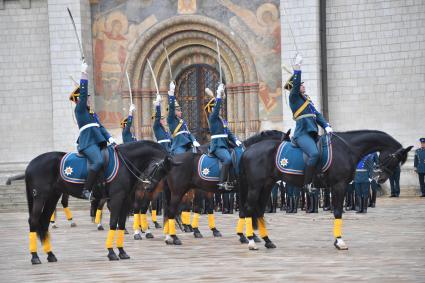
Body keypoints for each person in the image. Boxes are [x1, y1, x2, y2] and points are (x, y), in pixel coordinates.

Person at [70, 60, 116, 200]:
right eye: (86, 98)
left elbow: (100, 127)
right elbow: (83, 94)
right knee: (98, 162)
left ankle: (102, 187)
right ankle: (86, 190)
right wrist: (84, 73)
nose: (89, 99)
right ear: (79, 100)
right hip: (88, 142)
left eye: (89, 98)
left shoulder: (91, 113)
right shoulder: (79, 109)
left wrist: (110, 138)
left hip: (98, 141)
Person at [286, 54, 333, 190]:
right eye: (301, 84)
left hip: (312, 133)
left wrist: (326, 125)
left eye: (302, 84)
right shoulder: (294, 98)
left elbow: (316, 114)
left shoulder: (307, 100)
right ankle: (307, 183)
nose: (303, 85)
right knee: (314, 154)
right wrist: (297, 69)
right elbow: (295, 86)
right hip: (302, 134)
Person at [205, 84, 242, 190]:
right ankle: (221, 183)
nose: (218, 109)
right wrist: (218, 95)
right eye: (216, 107)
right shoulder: (212, 117)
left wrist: (236, 140)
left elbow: (228, 133)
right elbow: (216, 109)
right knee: (227, 159)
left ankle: (233, 179)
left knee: (237, 157)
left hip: (225, 145)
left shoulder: (222, 120)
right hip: (217, 146)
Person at [167, 81, 200, 155]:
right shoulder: (171, 120)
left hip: (188, 143)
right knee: (181, 159)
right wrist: (171, 94)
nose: (181, 112)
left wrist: (194, 140)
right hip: (179, 145)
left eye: (180, 110)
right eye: (178, 110)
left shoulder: (182, 121)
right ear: (174, 112)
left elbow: (188, 132)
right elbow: (171, 108)